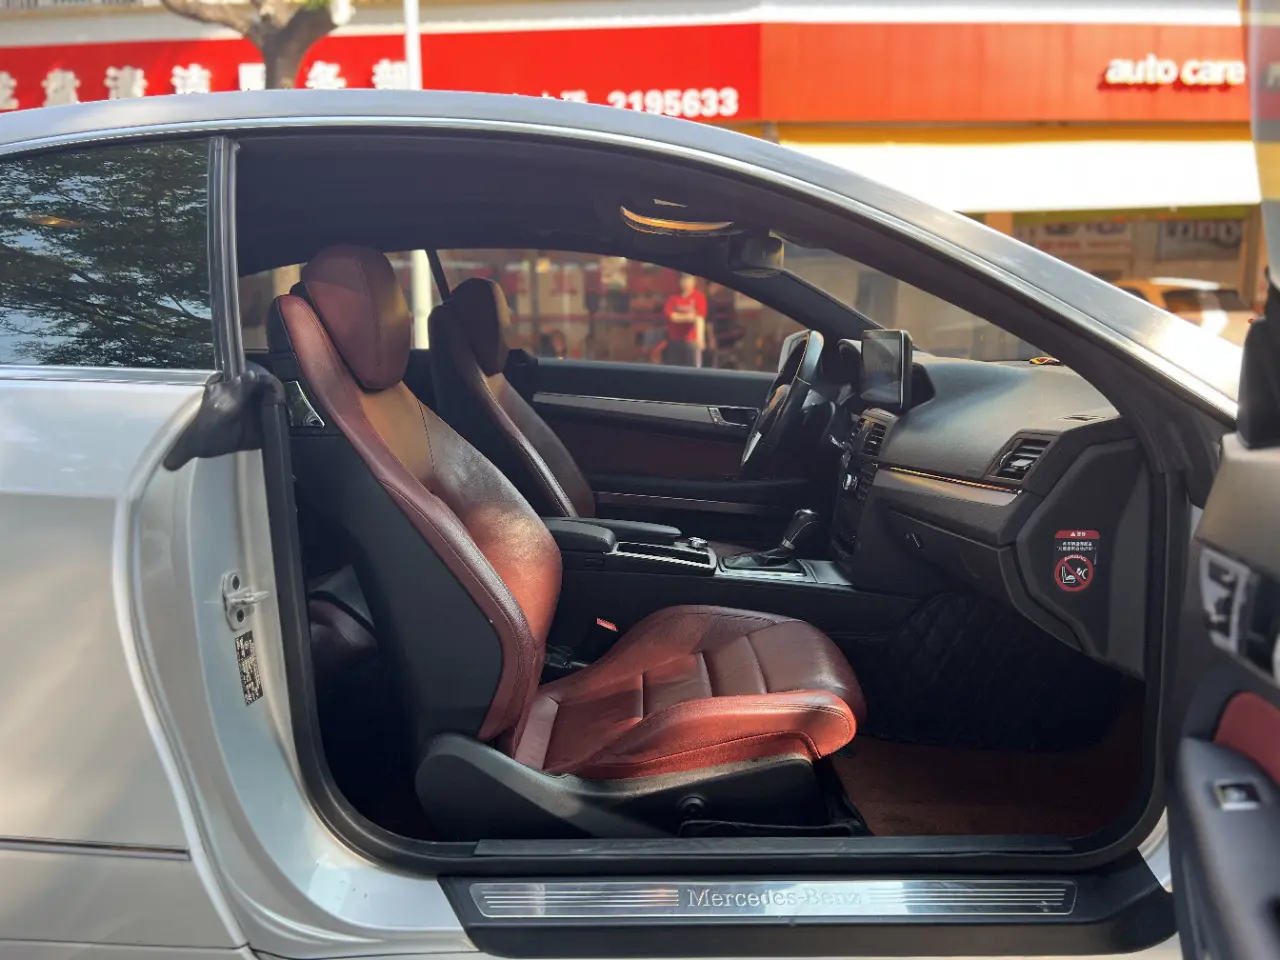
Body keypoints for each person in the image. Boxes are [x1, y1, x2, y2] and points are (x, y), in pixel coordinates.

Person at [661, 273, 707, 367]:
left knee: (693, 368)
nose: (686, 283)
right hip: (674, 340)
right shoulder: (673, 298)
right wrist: (689, 317)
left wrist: (700, 338)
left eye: (689, 280)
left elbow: (700, 318)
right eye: (684, 280)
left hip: (691, 341)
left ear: (694, 281)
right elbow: (672, 317)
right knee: (674, 368)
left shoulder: (699, 297)